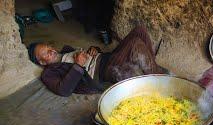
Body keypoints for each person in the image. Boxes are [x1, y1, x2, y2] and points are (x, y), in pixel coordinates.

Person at [28, 26, 167, 97]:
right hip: (103, 72)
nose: (51, 50)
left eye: (49, 47)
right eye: (46, 53)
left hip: (107, 57)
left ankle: (150, 67)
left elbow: (92, 54)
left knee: (139, 31)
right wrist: (78, 65)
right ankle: (160, 81)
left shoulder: (66, 50)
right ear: (42, 62)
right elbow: (64, 90)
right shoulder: (49, 73)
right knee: (135, 44)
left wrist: (93, 49)